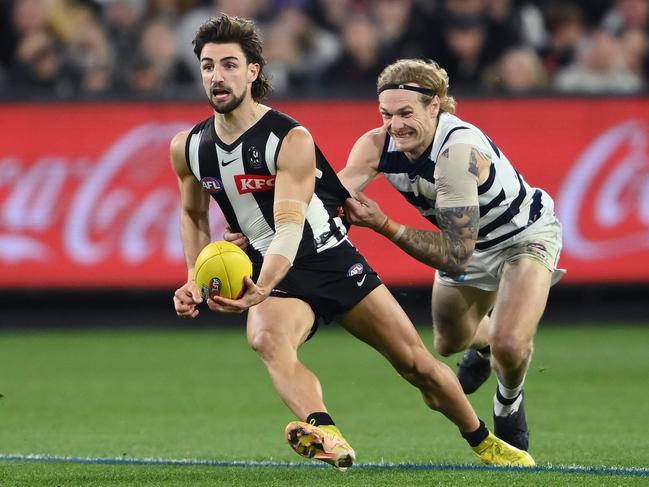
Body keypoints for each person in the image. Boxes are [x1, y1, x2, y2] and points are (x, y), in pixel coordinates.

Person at [172, 15, 534, 469]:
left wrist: (261, 284)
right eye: (207, 66)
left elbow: (289, 224)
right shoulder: (188, 146)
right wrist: (192, 277)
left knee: (417, 365)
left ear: (253, 72)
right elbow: (192, 214)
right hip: (269, 262)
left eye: (229, 64)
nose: (216, 76)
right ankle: (327, 433)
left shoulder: (289, 137)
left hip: (324, 254)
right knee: (268, 339)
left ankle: (485, 441)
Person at [339, 58, 565, 452]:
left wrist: (383, 224)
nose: (395, 125)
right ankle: (484, 346)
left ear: (436, 105)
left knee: (510, 346)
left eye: (406, 113)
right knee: (447, 343)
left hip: (522, 237)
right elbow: (331, 195)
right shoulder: (377, 145)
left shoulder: (456, 153)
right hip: (467, 245)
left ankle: (508, 402)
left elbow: (456, 256)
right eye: (386, 114)